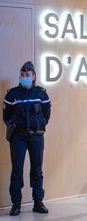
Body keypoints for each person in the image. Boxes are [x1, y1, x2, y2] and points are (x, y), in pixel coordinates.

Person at [3, 61, 51, 216]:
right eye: (22, 75)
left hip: (37, 136)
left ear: (33, 76)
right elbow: (6, 116)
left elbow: (47, 114)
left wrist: (40, 124)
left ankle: (38, 202)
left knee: (37, 170)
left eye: (27, 75)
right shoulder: (12, 94)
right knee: (17, 170)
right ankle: (16, 204)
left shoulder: (41, 94)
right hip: (18, 137)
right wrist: (15, 126)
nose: (24, 77)